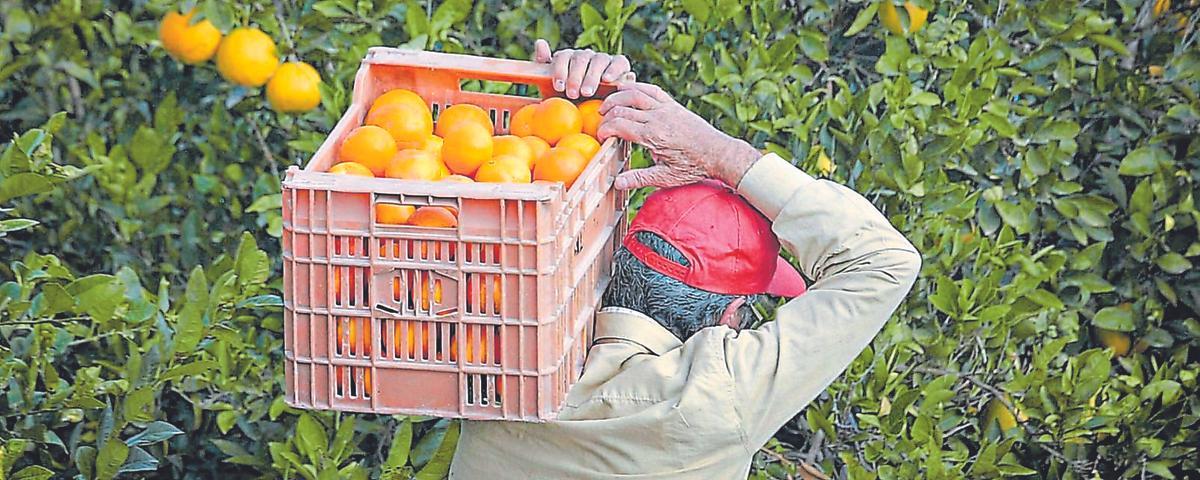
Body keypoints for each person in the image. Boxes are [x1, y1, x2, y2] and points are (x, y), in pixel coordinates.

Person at [448, 41, 922, 479]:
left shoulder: (500, 333)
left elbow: (495, 184)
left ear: (615, 251)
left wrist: (571, 109)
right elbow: (885, 261)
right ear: (730, 317)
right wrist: (719, 152)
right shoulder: (719, 397)